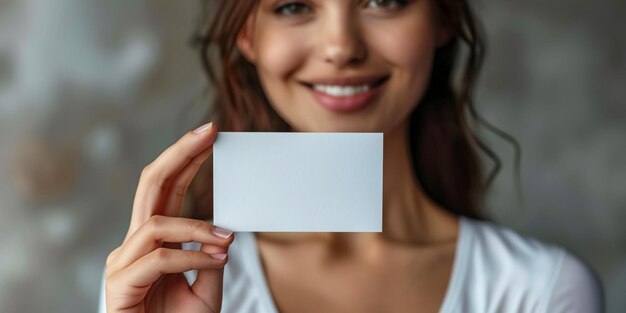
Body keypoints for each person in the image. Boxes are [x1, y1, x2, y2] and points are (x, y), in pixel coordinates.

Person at [100, 0, 604, 312]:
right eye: (294, 5)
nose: (341, 47)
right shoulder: (164, 288)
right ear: (247, 36)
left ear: (442, 19)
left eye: (383, 0)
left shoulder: (540, 290)